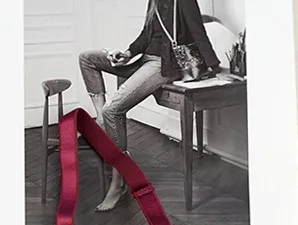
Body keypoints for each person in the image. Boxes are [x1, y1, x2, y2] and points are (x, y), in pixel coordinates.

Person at [78, 0, 220, 211]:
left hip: (162, 65)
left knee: (113, 110)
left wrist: (213, 66)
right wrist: (127, 53)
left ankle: (119, 181)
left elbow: (198, 32)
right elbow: (146, 34)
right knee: (87, 58)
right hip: (142, 59)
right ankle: (100, 119)